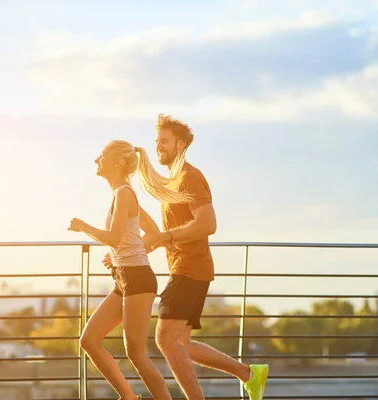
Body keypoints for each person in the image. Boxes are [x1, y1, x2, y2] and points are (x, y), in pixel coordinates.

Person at [140, 114, 269, 400]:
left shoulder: (190, 178)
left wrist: (168, 237)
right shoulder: (173, 182)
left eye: (164, 141)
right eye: (156, 141)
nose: (158, 146)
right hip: (186, 267)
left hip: (190, 269)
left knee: (165, 339)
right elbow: (175, 228)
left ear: (181, 145)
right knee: (181, 343)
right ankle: (249, 374)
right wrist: (155, 242)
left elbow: (207, 224)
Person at [68, 140, 191, 400]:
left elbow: (113, 237)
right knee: (89, 340)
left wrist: (83, 227)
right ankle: (128, 397)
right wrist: (122, 255)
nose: (96, 161)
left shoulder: (124, 193)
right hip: (124, 278)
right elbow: (153, 233)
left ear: (117, 162)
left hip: (137, 279)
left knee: (136, 353)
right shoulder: (121, 194)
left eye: (101, 156)